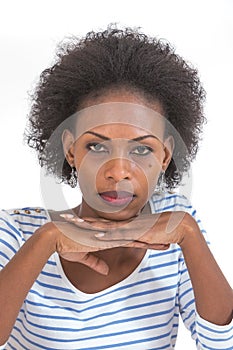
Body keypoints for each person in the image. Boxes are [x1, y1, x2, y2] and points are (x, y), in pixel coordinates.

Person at [0, 25, 232, 350]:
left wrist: (190, 234)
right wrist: (46, 240)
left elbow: (221, 343)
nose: (118, 171)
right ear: (71, 151)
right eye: (97, 147)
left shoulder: (178, 226)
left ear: (164, 156)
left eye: (141, 149)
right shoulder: (17, 231)